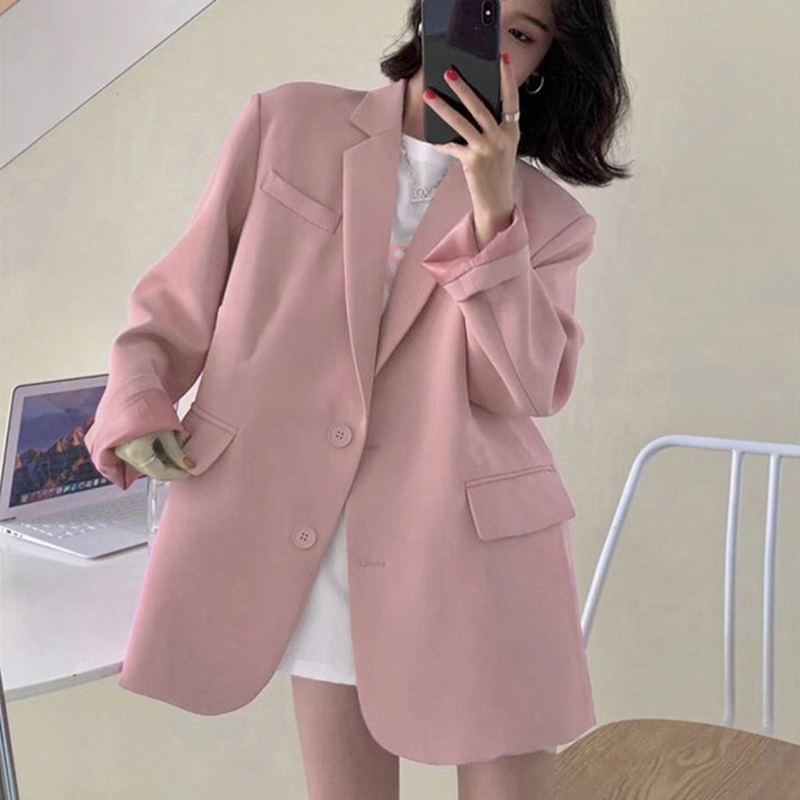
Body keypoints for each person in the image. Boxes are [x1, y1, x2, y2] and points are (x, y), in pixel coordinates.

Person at [86, 1, 631, 798]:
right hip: (307, 536)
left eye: (519, 33)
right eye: (478, 12)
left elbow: (525, 386)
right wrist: (141, 396)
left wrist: (493, 208)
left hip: (474, 553)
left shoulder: (547, 221)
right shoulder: (288, 124)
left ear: (545, 64)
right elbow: (180, 298)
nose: (488, 44)